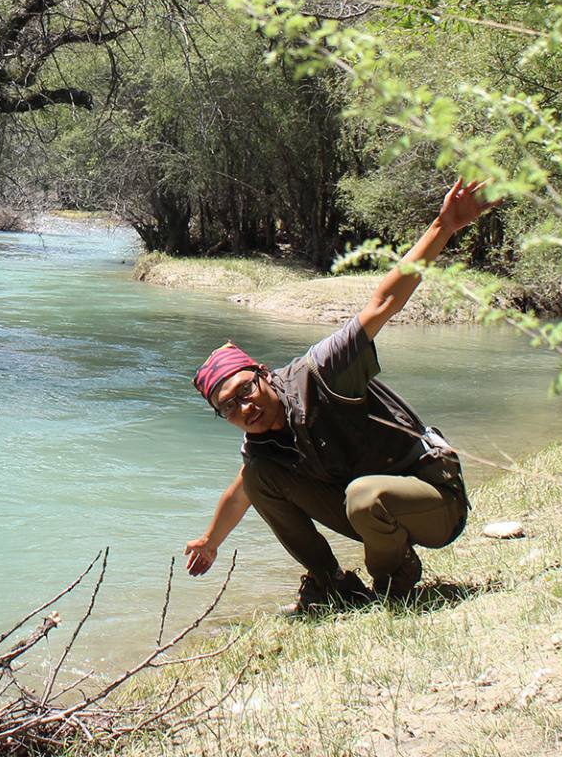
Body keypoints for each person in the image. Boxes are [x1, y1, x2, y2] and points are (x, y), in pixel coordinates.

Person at [183, 179, 494, 612]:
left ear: (262, 374)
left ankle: (393, 583)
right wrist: (211, 542)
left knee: (364, 496)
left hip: (434, 499)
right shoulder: (262, 444)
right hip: (368, 507)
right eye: (228, 408)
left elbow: (383, 302)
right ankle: (332, 582)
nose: (243, 408)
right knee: (260, 476)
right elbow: (242, 492)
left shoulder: (322, 371)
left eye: (245, 391)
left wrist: (443, 226)